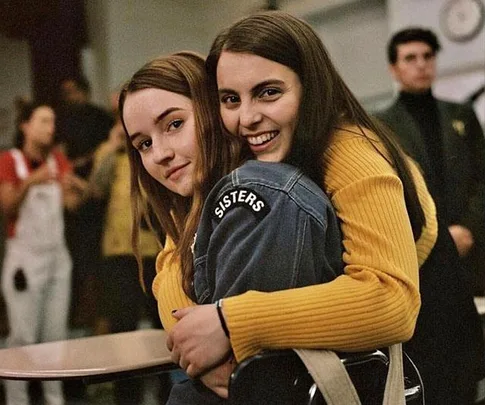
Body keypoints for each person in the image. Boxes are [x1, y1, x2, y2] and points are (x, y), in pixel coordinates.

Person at [157, 11, 482, 405]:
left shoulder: (351, 150)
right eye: (230, 99)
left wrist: (231, 322)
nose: (247, 116)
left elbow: (390, 301)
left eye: (268, 92)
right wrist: (198, 343)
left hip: (426, 350)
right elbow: (177, 255)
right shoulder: (248, 149)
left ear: (310, 88)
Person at [119, 51, 345, 404]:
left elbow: (240, 371)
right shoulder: (204, 208)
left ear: (214, 110)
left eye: (174, 124)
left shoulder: (256, 190)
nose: (160, 153)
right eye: (144, 144)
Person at [376, 27, 485, 403]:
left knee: (473, 361)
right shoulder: (381, 126)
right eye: (410, 58)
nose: (421, 65)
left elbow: (481, 179)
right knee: (437, 367)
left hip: (473, 251)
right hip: (423, 260)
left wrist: (469, 228)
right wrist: (440, 237)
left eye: (427, 56)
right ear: (394, 68)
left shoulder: (461, 115)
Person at [0, 101, 84, 405]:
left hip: (57, 260)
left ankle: (55, 399)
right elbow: (7, 207)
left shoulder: (57, 159)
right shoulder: (10, 161)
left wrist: (73, 185)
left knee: (56, 338)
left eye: (52, 122)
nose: (50, 127)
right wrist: (31, 181)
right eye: (43, 121)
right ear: (25, 126)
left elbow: (72, 204)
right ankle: (17, 400)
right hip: (24, 261)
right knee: (22, 339)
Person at [87, 118, 168, 405]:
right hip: (119, 253)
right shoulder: (109, 152)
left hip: (156, 252)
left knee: (164, 326)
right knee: (123, 327)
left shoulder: (155, 147)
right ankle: (126, 399)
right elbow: (95, 189)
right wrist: (112, 145)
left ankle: (165, 395)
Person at [55, 75, 114, 330]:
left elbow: (104, 154)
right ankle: (76, 315)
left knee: (98, 262)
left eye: (72, 91)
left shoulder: (101, 118)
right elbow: (58, 151)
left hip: (97, 201)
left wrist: (83, 164)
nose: (69, 97)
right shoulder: (62, 119)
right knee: (76, 260)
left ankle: (98, 315)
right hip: (70, 196)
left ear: (84, 91)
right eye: (65, 92)